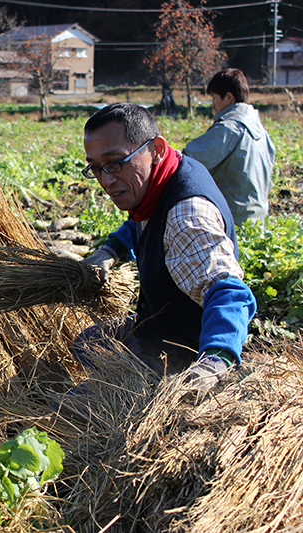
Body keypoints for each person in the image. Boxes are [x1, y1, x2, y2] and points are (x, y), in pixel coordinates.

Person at [78, 103, 256, 390]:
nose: (107, 180)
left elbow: (230, 293)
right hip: (159, 323)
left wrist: (215, 361)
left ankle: (143, 394)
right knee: (89, 342)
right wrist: (109, 251)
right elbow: (141, 221)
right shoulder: (163, 177)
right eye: (96, 168)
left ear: (156, 149)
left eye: (115, 162)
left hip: (182, 349)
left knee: (68, 409)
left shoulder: (187, 215)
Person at [182, 68, 276, 225]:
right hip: (257, 217)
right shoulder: (258, 127)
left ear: (228, 97)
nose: (213, 104)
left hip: (232, 217)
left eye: (214, 98)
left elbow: (189, 161)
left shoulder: (229, 128)